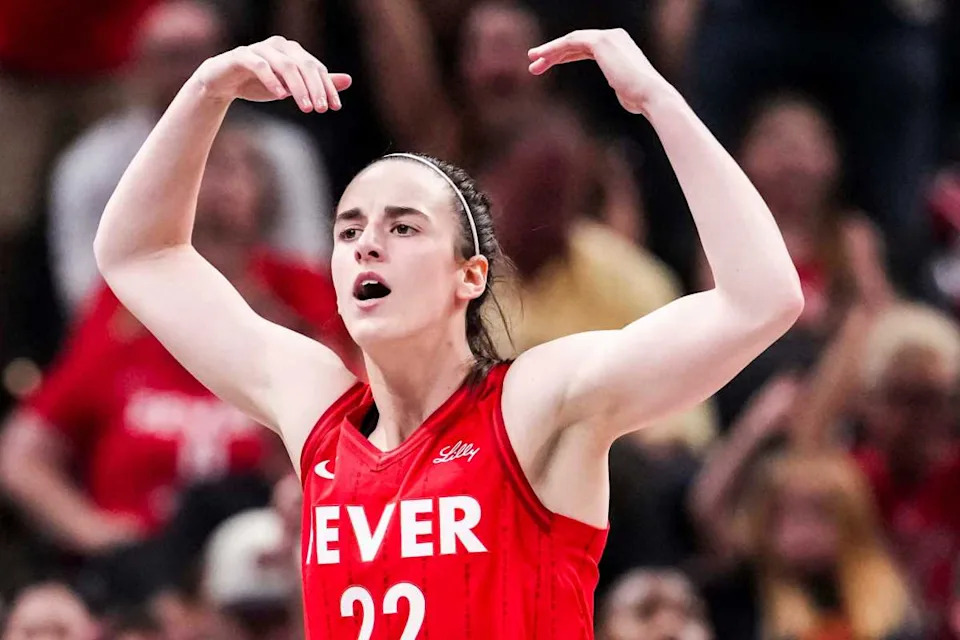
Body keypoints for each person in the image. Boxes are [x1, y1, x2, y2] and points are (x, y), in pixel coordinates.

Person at [92, 29, 802, 638]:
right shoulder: (316, 409)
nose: (368, 244)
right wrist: (208, 89)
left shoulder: (534, 403)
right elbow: (140, 255)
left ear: (470, 275)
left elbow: (759, 298)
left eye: (403, 226)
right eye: (349, 229)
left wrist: (657, 101)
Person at [48, 0, 334, 313]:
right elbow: (83, 294)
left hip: (265, 314)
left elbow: (310, 265)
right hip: (141, 329)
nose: (192, 73)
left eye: (200, 54)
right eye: (172, 56)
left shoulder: (282, 151)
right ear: (139, 64)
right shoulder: (90, 163)